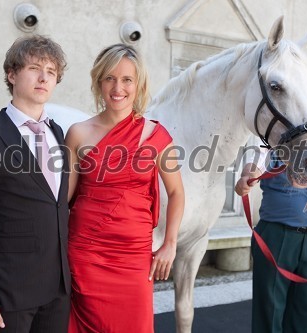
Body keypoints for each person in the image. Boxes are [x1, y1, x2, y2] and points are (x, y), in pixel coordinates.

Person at [65, 44, 185, 332]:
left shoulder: (157, 136)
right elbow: (62, 199)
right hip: (84, 253)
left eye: (127, 79)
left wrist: (169, 243)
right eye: (109, 78)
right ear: (98, 82)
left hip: (133, 256)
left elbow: (177, 193)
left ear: (138, 84)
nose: (117, 87)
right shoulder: (78, 133)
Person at [0, 35, 71, 333]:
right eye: (34, 67)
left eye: (52, 71)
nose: (44, 77)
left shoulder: (59, 134)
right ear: (12, 74)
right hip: (9, 295)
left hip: (58, 291)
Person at [235, 95, 307, 333]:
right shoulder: (273, 140)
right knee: (270, 311)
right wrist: (246, 177)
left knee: (304, 312)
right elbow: (254, 159)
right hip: (277, 236)